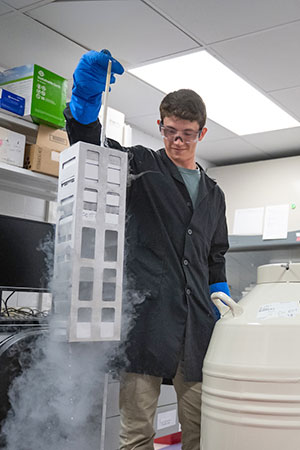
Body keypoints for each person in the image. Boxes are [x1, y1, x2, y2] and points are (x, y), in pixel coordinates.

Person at [64, 49, 230, 450]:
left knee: (201, 432)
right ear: (160, 125)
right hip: (147, 323)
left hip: (195, 330)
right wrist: (84, 101)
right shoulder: (140, 165)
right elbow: (89, 143)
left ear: (201, 133)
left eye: (187, 133)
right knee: (137, 434)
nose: (177, 140)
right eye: (170, 130)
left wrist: (219, 294)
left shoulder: (214, 193)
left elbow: (216, 255)